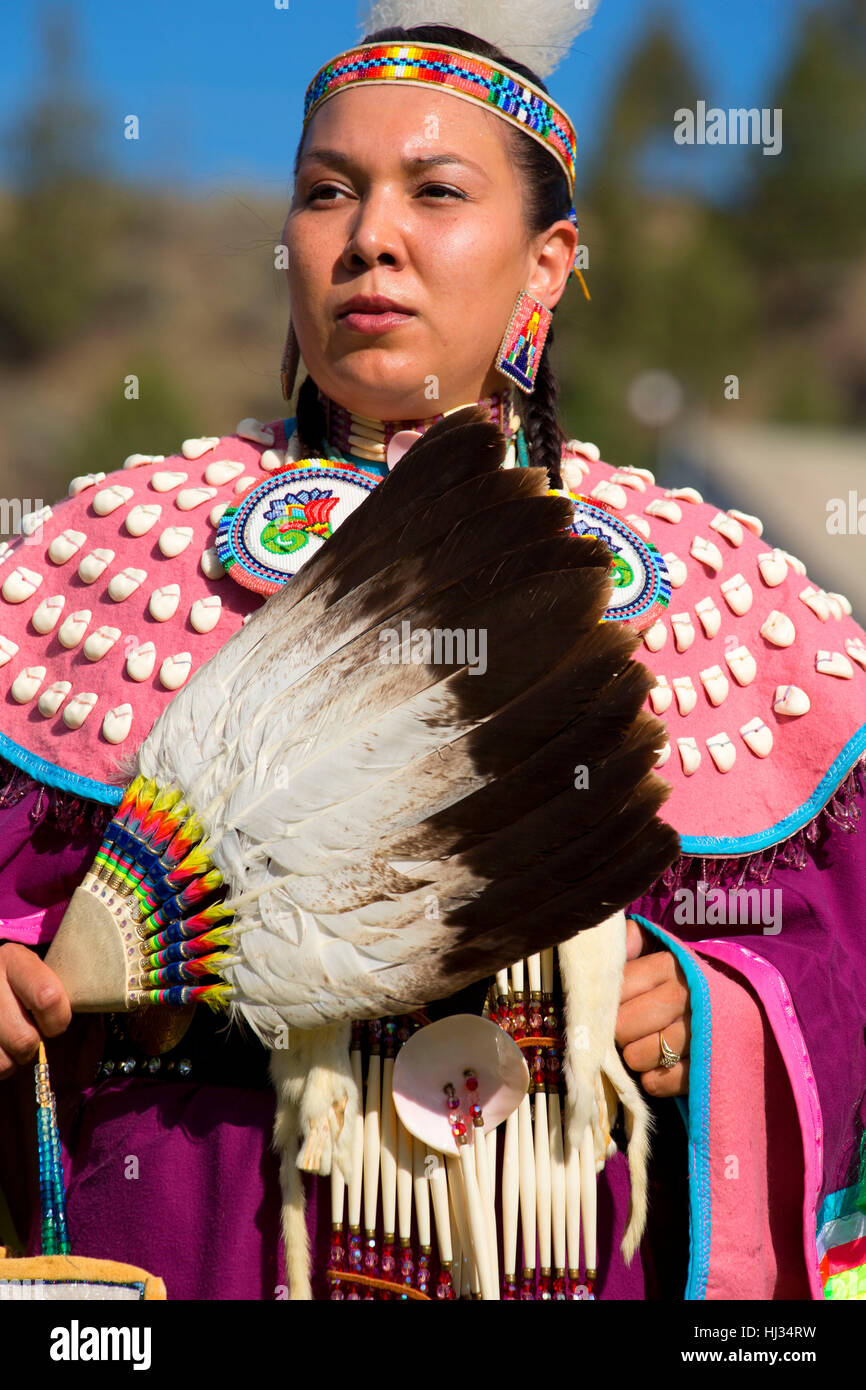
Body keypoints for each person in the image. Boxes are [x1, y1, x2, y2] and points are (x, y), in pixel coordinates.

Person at [1, 6, 864, 1302]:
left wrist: (720, 1006)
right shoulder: (106, 563)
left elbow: (829, 936)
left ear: (546, 262)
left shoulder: (722, 597)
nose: (370, 237)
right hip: (200, 1242)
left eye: (436, 190)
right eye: (326, 191)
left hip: (572, 1246)